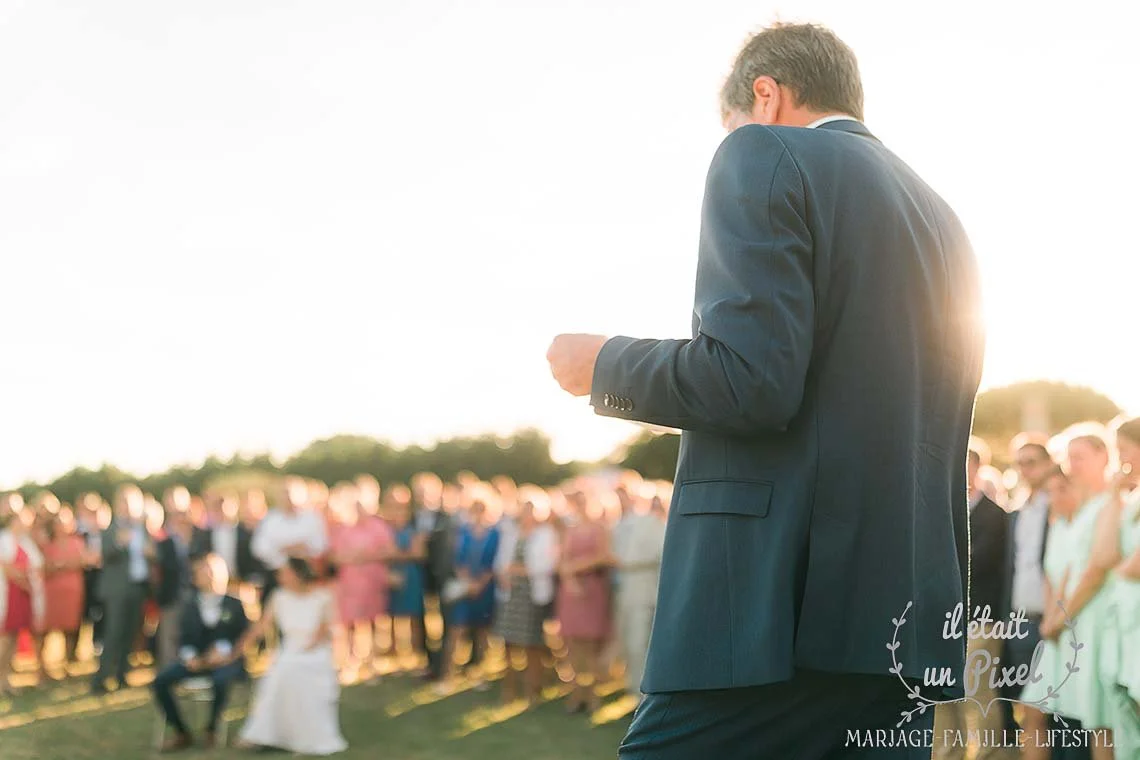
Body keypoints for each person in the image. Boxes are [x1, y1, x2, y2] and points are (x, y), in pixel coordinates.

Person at [547, 22, 983, 759]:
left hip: (774, 610)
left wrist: (606, 366)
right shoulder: (943, 218)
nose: (731, 136)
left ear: (767, 94)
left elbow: (751, 381)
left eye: (732, 121)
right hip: (902, 622)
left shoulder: (764, 150)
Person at [932, 440, 1009, 760]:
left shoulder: (994, 514)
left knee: (978, 689)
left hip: (982, 615)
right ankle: (950, 752)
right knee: (941, 686)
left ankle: (990, 752)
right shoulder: (940, 507)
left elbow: (980, 559)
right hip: (944, 615)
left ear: (977, 467)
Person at [236, 557, 347, 755]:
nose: (280, 577)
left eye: (285, 572)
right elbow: (263, 625)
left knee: (292, 669)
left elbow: (324, 630)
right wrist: (242, 644)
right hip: (288, 650)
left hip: (314, 651)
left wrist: (307, 648)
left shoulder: (323, 596)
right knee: (280, 673)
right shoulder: (278, 597)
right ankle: (270, 735)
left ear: (298, 574)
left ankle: (303, 736)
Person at [151, 554, 249, 752]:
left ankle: (212, 729)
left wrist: (224, 653)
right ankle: (181, 732)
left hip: (227, 662)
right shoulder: (188, 604)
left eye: (213, 572)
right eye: (204, 572)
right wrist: (190, 658)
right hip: (195, 661)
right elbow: (183, 638)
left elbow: (244, 637)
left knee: (220, 681)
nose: (209, 576)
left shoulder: (235, 603)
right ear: (196, 578)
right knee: (160, 681)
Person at [494, 499, 558, 705]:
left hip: (533, 594)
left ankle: (533, 690)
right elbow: (501, 561)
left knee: (533, 643)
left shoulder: (547, 534)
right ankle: (509, 689)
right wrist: (504, 574)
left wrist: (521, 570)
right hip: (512, 594)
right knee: (509, 644)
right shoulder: (511, 533)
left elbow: (548, 564)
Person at [92, 484, 155, 694]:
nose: (128, 508)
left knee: (130, 633)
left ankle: (122, 675)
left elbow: (153, 554)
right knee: (113, 633)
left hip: (138, 588)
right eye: (124, 503)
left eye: (132, 503)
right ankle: (100, 680)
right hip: (117, 591)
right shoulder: (110, 530)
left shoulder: (143, 528)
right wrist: (120, 544)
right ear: (118, 505)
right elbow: (105, 555)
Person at [555, 491, 612, 714]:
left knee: (590, 645)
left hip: (592, 589)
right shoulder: (569, 529)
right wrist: (569, 580)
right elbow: (561, 559)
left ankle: (593, 696)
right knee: (571, 644)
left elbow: (603, 555)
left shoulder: (601, 528)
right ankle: (576, 694)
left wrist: (575, 568)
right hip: (571, 591)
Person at [328, 488, 393, 680]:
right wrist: (352, 557)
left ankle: (373, 662)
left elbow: (389, 550)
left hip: (372, 581)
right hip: (350, 582)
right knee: (349, 624)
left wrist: (367, 556)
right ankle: (350, 662)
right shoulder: (345, 529)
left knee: (373, 622)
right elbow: (334, 556)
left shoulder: (379, 526)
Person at [612, 492, 667, 696]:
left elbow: (652, 555)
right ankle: (636, 694)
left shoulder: (653, 523)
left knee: (639, 645)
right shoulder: (627, 525)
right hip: (627, 592)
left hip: (646, 594)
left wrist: (620, 560)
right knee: (630, 646)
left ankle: (645, 696)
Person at [442, 498, 499, 692]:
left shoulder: (495, 534)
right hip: (465, 587)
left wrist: (480, 583)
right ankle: (448, 675)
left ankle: (478, 673)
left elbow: (493, 562)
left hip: (485, 589)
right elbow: (459, 560)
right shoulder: (463, 531)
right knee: (456, 630)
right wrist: (468, 582)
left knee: (482, 632)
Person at [250, 477, 328, 604]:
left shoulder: (312, 518)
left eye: (291, 493)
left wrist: (301, 549)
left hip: (308, 577)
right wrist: (283, 551)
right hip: (277, 576)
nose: (288, 498)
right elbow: (259, 548)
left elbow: (321, 545)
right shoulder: (270, 519)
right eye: (284, 493)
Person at [0, 497, 45, 696]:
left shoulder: (27, 542)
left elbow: (37, 566)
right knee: (5, 640)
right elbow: (7, 568)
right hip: (10, 596)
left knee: (13, 640)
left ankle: (5, 679)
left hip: (23, 597)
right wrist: (26, 581)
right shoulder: (3, 539)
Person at [35, 507, 86, 678]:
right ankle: (41, 667)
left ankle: (66, 664)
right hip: (52, 592)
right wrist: (65, 565)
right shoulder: (46, 544)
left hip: (72, 591)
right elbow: (45, 567)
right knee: (46, 630)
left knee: (70, 629)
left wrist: (60, 565)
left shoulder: (78, 542)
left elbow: (81, 561)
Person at [385, 495, 426, 665]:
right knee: (393, 615)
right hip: (392, 574)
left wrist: (397, 554)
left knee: (413, 614)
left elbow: (418, 553)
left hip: (410, 575)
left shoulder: (413, 531)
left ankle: (416, 652)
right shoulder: (387, 531)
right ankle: (395, 652)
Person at [154, 507, 195, 669]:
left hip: (193, 596)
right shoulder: (164, 545)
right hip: (171, 596)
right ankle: (167, 669)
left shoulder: (197, 541)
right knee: (168, 635)